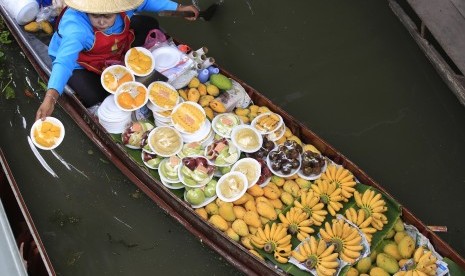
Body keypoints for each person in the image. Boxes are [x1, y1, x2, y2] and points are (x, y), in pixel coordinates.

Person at [35, 0, 198, 121]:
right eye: (95, 15)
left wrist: (178, 9)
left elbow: (145, 2)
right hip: (82, 61)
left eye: (107, 16)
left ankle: (121, 58)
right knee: (95, 96)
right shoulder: (76, 28)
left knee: (150, 24)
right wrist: (51, 98)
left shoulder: (123, 3)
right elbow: (64, 61)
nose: (101, 22)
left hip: (113, 46)